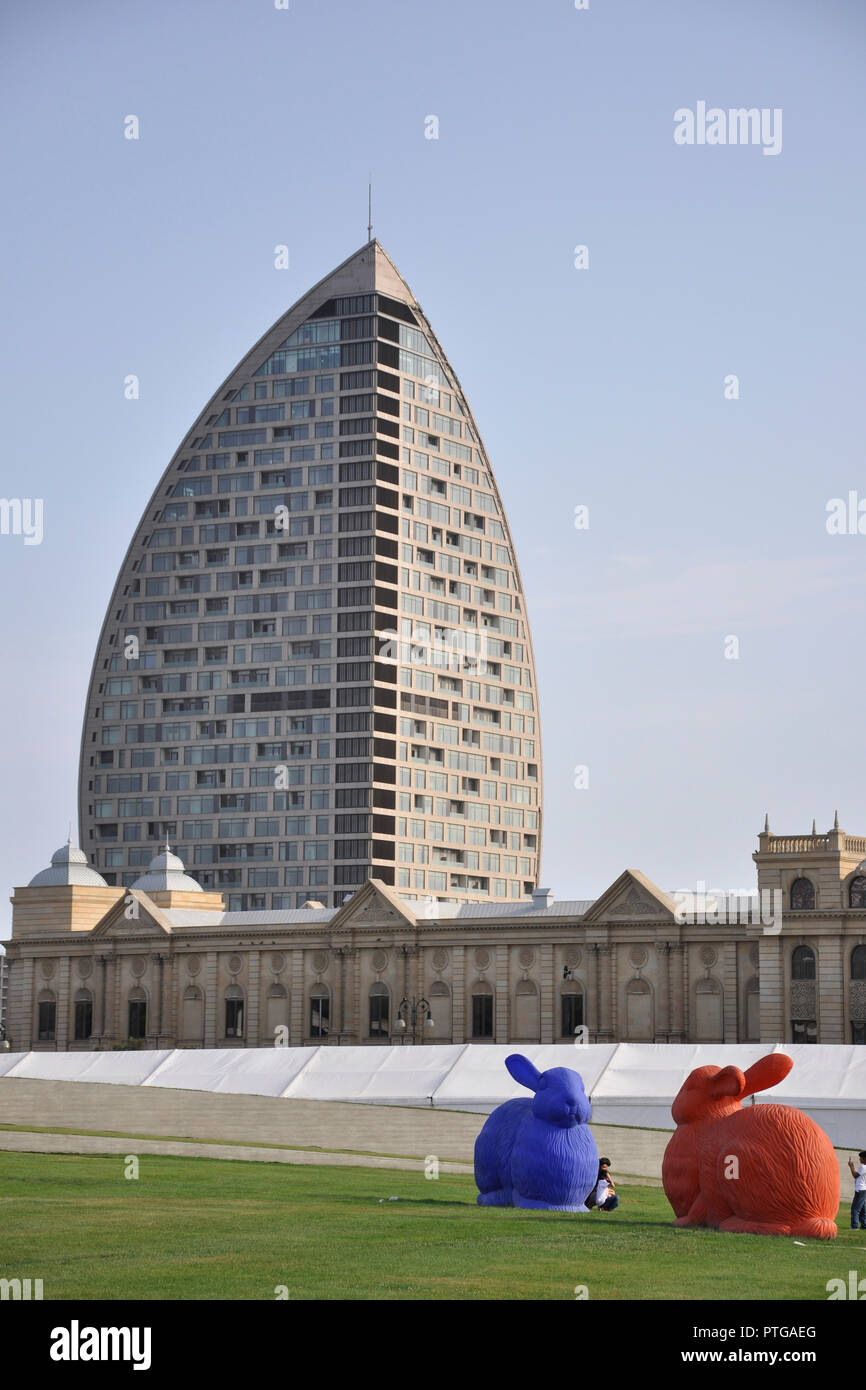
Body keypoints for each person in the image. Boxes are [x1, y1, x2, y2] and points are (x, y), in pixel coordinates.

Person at [848, 1150, 866, 1230]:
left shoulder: (863, 1167)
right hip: (864, 1190)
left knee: (855, 1209)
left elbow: (855, 1175)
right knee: (862, 1209)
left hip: (860, 1189)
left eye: (861, 1158)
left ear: (864, 1159)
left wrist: (852, 1167)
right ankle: (864, 1225)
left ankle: (854, 1226)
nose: (859, 1159)